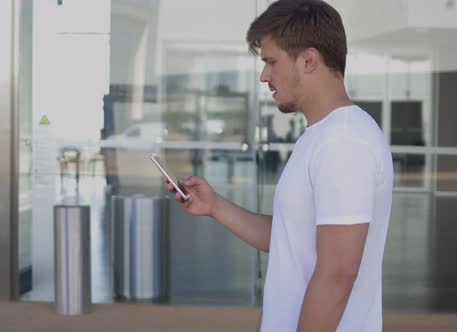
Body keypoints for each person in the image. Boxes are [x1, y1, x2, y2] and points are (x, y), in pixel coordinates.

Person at [165, 1, 393, 331]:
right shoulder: (322, 136)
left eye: (271, 62)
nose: (264, 76)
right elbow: (291, 238)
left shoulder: (344, 142)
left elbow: (338, 275)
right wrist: (214, 206)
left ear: (309, 60)